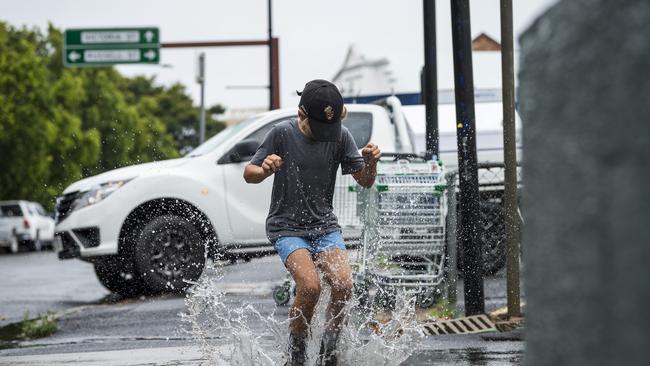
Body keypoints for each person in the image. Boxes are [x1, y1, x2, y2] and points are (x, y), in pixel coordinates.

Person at [243, 79, 380, 365]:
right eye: (318, 128)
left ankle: (329, 351)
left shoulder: (340, 136)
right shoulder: (281, 133)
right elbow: (249, 173)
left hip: (324, 226)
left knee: (344, 284)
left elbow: (365, 181)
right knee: (310, 287)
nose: (324, 135)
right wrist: (265, 170)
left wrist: (371, 163)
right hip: (286, 227)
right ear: (301, 114)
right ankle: (297, 353)